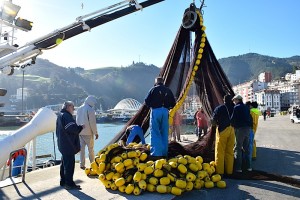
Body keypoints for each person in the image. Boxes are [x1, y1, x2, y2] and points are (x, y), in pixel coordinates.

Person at [145, 77, 176, 158]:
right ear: (163, 82)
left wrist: (153, 105)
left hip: (156, 111)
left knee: (155, 132)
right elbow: (173, 103)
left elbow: (146, 101)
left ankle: (156, 154)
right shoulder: (168, 90)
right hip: (165, 112)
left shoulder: (153, 89)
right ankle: (164, 153)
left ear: (156, 82)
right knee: (164, 132)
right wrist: (167, 107)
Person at [56, 101, 84, 190]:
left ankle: (63, 181)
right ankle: (69, 184)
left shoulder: (60, 115)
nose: (74, 109)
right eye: (73, 107)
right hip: (68, 145)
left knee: (64, 163)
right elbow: (72, 128)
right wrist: (80, 127)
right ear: (68, 107)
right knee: (69, 165)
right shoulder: (67, 116)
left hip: (62, 143)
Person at [212, 94, 235, 175]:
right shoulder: (234, 108)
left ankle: (220, 172)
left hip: (222, 130)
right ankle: (229, 171)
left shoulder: (219, 108)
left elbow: (213, 121)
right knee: (230, 151)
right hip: (232, 130)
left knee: (220, 152)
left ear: (223, 100)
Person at [76, 95, 99, 170]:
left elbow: (77, 121)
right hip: (89, 133)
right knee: (91, 149)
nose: (94, 104)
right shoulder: (90, 109)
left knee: (82, 150)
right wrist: (95, 133)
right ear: (91, 102)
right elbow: (92, 123)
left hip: (80, 133)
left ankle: (82, 164)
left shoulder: (79, 109)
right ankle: (92, 164)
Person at [231, 95, 252, 173]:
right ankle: (248, 167)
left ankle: (238, 168)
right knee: (246, 148)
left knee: (238, 148)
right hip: (248, 129)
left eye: (234, 101)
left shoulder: (236, 107)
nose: (234, 102)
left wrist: (232, 125)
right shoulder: (246, 107)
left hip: (240, 129)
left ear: (237, 100)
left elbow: (233, 119)